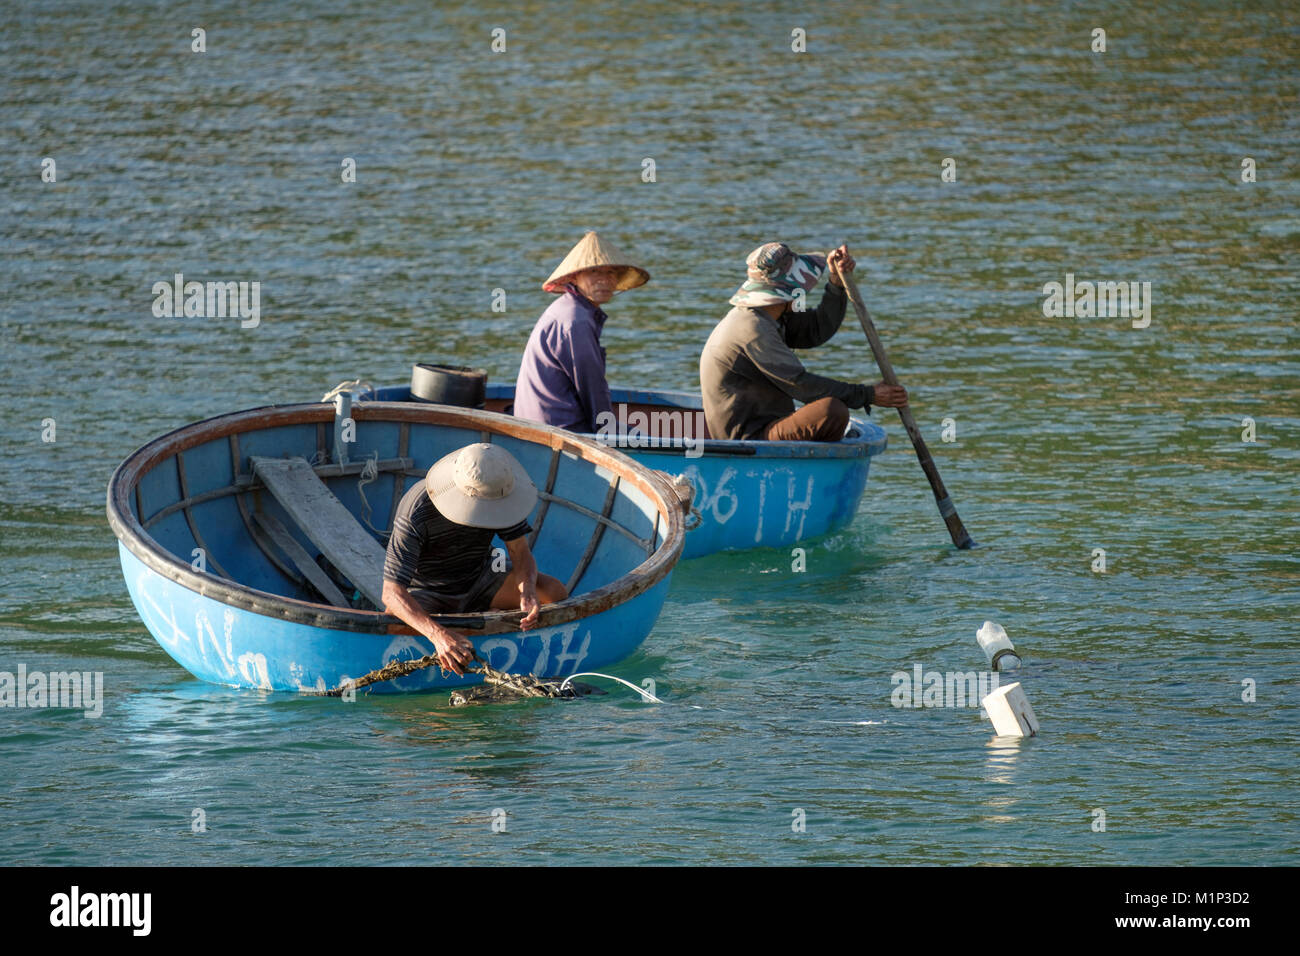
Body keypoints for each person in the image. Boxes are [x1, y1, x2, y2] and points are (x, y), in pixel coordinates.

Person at [381, 442, 568, 675]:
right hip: (428, 591)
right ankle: (464, 624)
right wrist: (437, 635)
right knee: (393, 623)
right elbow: (391, 592)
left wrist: (527, 590)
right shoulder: (417, 508)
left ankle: (487, 615)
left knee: (553, 591)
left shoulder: (501, 493)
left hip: (481, 579)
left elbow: (520, 552)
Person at [699, 242, 907, 442]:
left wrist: (836, 282)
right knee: (831, 411)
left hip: (768, 424)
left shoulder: (772, 315)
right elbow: (800, 384)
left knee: (831, 410)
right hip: (748, 437)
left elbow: (814, 329)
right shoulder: (753, 329)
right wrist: (867, 395)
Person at [514, 231, 650, 433]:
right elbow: (591, 387)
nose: (604, 279)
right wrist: (609, 431)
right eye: (594, 271)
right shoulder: (576, 321)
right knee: (640, 436)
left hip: (541, 422)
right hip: (559, 429)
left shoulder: (571, 311)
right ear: (575, 277)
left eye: (611, 272)